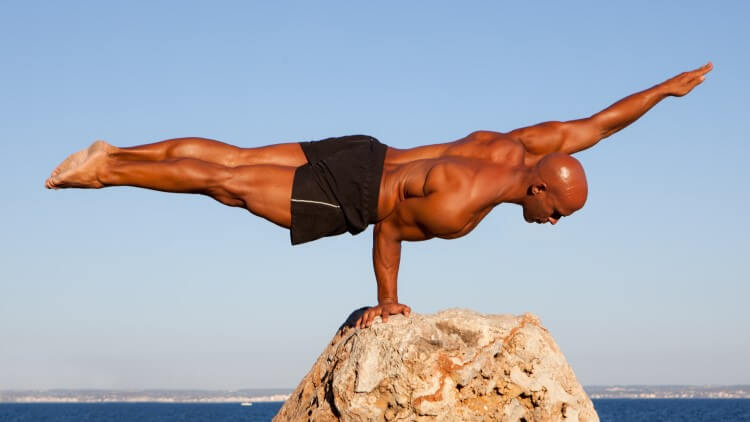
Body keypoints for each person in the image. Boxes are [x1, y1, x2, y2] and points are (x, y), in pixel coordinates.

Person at [45, 62, 712, 329]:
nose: (552, 222)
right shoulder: (463, 208)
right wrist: (388, 301)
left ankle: (114, 150)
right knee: (229, 185)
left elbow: (593, 126)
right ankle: (105, 171)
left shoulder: (520, 146)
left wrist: (662, 92)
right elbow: (389, 226)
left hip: (369, 149)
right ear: (541, 188)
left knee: (235, 159)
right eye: (557, 211)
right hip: (354, 192)